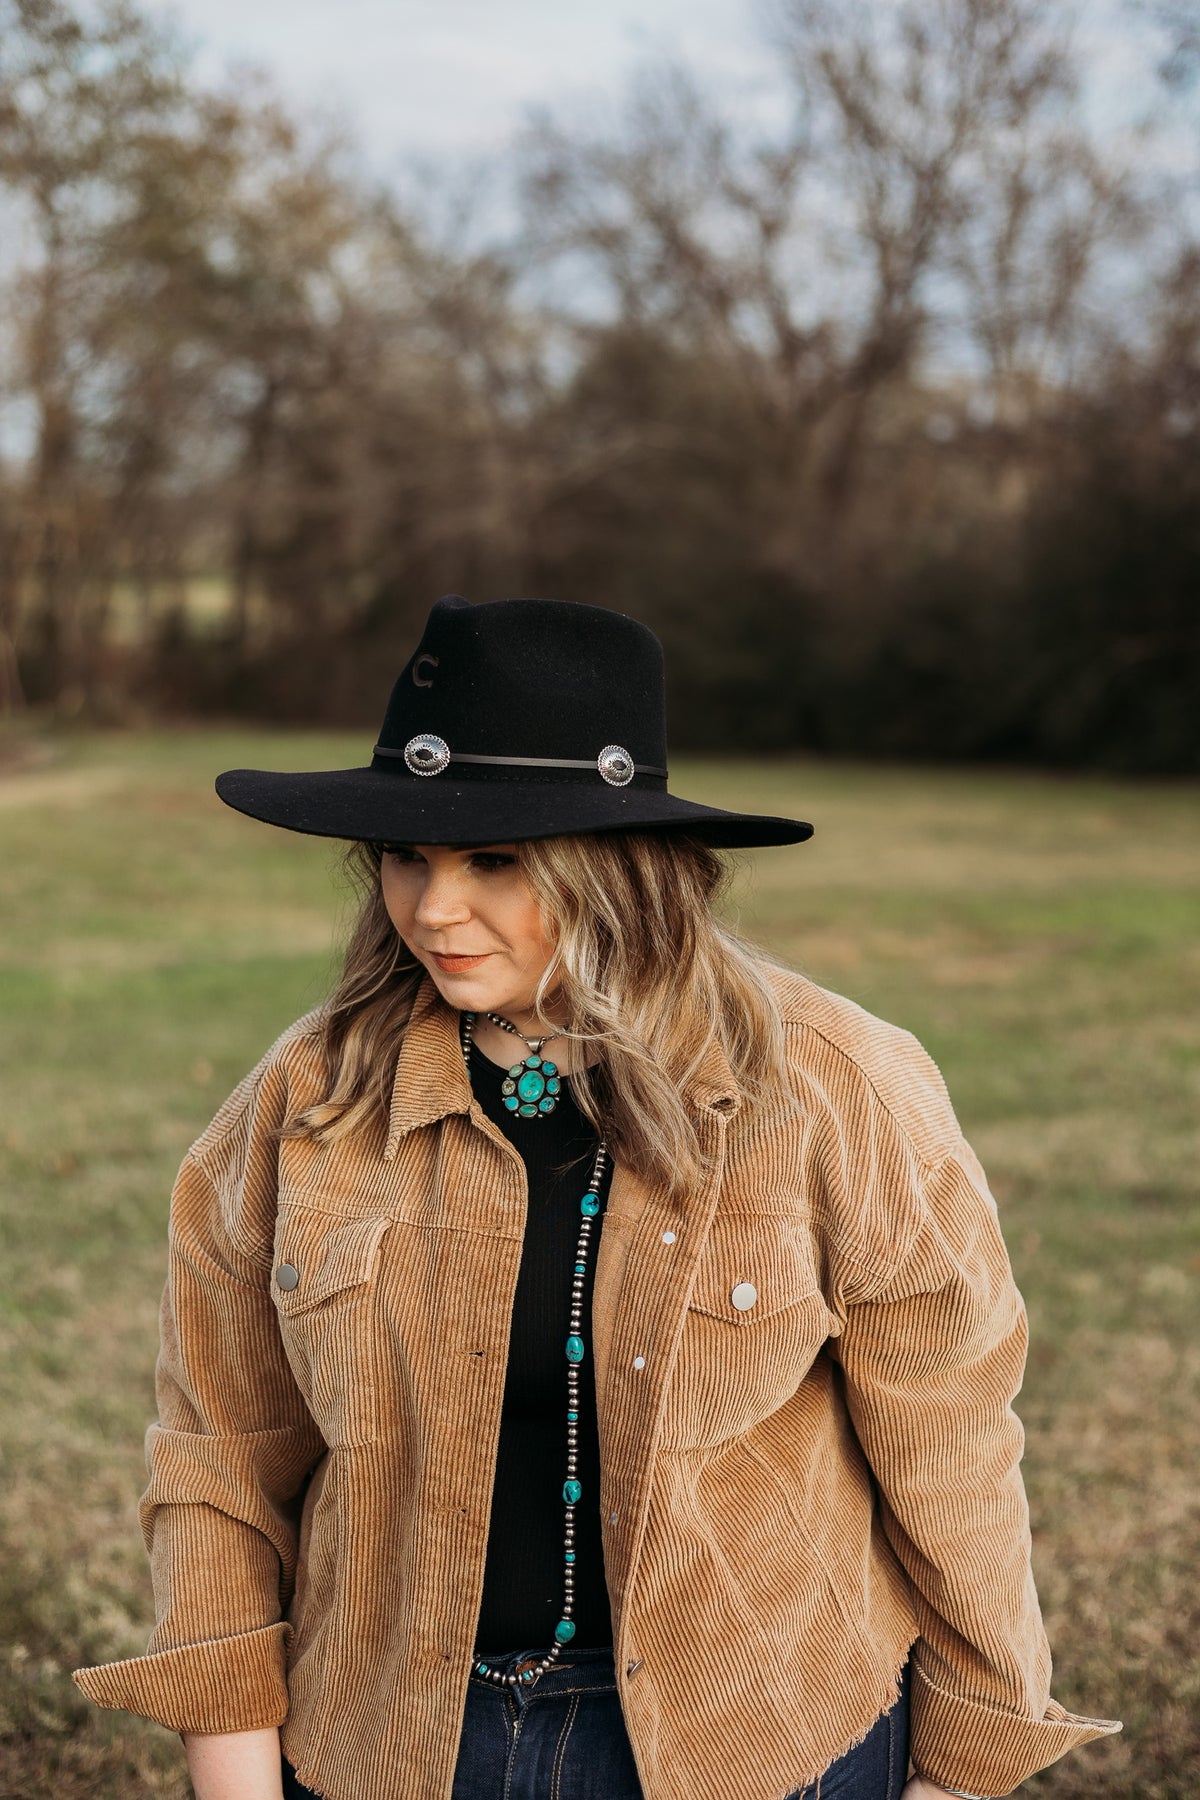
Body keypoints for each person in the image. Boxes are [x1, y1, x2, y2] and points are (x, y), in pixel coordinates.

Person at [73, 596, 1119, 1800]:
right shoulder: (305, 1103)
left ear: (618, 864)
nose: (433, 910)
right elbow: (218, 1460)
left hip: (759, 1741)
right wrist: (237, 1775)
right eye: (407, 856)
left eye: (495, 861)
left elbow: (950, 1440)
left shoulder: (835, 1087)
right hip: (393, 1744)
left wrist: (966, 1766)